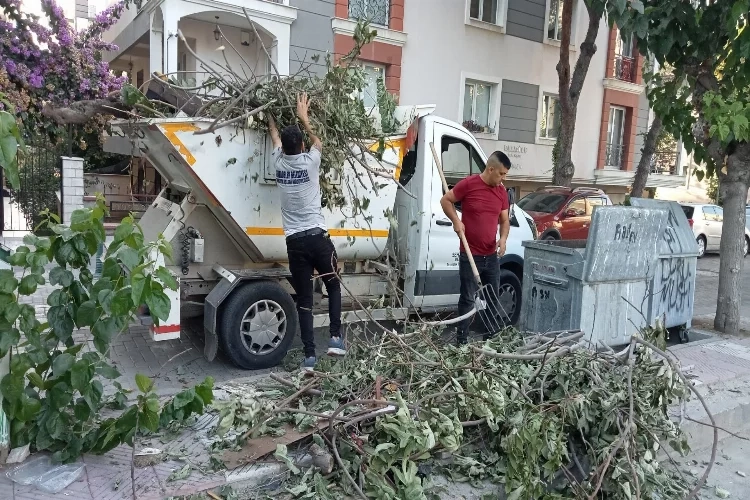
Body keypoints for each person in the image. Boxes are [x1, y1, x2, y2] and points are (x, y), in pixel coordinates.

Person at [267, 93, 345, 371]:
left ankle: (309, 357)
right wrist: (304, 118)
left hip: (295, 244)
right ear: (300, 145)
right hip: (318, 239)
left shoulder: (278, 163)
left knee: (305, 300)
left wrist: (270, 115)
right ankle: (335, 339)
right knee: (333, 284)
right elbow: (319, 142)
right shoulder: (310, 162)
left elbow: (275, 137)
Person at [439, 151, 512, 345]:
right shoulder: (469, 184)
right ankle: (462, 341)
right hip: (470, 254)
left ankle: (489, 340)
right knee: (468, 300)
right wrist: (456, 221)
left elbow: (505, 221)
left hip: (491, 256)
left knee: (492, 299)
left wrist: (503, 239)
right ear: (491, 169)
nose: (503, 178)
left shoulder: (501, 192)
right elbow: (446, 200)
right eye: (502, 174)